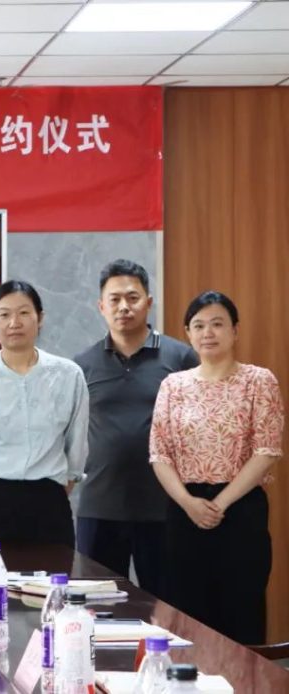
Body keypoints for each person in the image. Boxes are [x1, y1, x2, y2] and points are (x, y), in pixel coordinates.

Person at [150, 291, 283, 644]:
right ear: (188, 333)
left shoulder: (259, 381)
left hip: (240, 509)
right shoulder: (173, 386)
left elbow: (267, 450)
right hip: (185, 510)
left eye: (217, 324)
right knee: (187, 615)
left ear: (235, 330)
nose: (208, 333)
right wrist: (188, 503)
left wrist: (219, 504)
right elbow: (159, 455)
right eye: (199, 326)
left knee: (241, 610)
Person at [73, 260, 197, 598]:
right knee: (97, 606)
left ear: (149, 302)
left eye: (132, 297)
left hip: (163, 507)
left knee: (168, 606)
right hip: (100, 506)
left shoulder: (181, 358)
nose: (124, 307)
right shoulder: (81, 365)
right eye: (114, 299)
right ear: (101, 306)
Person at [0, 280, 88, 549]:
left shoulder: (68, 374)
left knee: (54, 573)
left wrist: (69, 478)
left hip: (49, 500)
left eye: (24, 313)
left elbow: (78, 438)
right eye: (4, 314)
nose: (14, 322)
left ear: (40, 318)